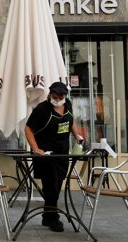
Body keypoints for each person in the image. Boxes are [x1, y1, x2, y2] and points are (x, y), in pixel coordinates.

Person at [25, 82, 83, 232]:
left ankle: (47, 216)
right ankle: (54, 218)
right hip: (45, 153)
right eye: (55, 96)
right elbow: (28, 129)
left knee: (57, 184)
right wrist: (35, 148)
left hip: (62, 152)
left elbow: (71, 122)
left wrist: (77, 135)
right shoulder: (42, 109)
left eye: (61, 96)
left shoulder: (68, 104)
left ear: (65, 96)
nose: (58, 99)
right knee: (50, 184)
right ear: (49, 94)